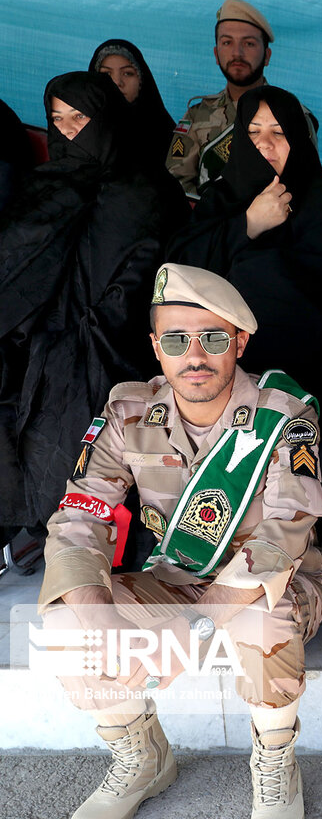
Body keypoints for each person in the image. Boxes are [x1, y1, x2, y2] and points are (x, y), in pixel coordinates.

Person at [37, 263, 322, 819]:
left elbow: (281, 536)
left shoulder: (286, 411)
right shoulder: (127, 412)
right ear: (156, 347)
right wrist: (103, 624)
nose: (194, 356)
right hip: (172, 576)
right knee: (69, 623)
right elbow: (79, 517)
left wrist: (191, 629)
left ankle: (275, 763)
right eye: (176, 340)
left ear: (239, 344)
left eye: (212, 339)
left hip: (271, 582)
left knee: (262, 620)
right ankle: (139, 753)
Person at [0, 72, 186, 537]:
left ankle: (79, 535)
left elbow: (146, 277)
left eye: (79, 118)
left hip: (113, 341)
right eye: (56, 119)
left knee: (71, 391)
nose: (65, 131)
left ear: (104, 119)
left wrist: (87, 328)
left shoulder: (145, 190)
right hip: (37, 335)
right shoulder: (43, 186)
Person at [167, 85, 322, 395]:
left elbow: (321, 277)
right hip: (215, 359)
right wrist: (249, 224)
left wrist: (238, 264)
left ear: (297, 137)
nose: (265, 144)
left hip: (300, 362)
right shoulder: (221, 196)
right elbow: (182, 266)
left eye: (279, 133)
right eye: (253, 132)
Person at [167, 0, 316, 198]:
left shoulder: (293, 114)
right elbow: (176, 186)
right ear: (216, 54)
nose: (237, 53)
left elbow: (309, 184)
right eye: (227, 42)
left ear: (267, 55)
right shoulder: (197, 115)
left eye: (249, 43)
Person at [89, 38, 176, 171]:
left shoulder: (162, 132)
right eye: (106, 74)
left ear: (141, 80)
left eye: (127, 73)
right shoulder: (78, 128)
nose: (117, 82)